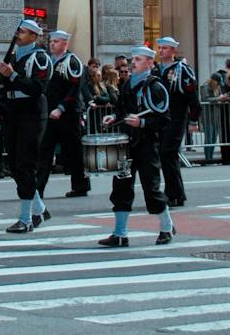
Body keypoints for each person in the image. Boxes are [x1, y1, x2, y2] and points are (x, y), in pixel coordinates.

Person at [101, 45, 176, 247]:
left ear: (150, 63)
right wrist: (113, 117)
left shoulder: (155, 86)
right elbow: (121, 109)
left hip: (146, 144)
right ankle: (120, 233)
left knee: (150, 187)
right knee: (121, 186)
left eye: (139, 60)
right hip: (126, 143)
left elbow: (164, 118)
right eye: (133, 59)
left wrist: (142, 123)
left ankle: (166, 227)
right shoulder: (127, 84)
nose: (133, 63)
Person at [0, 19, 50, 233]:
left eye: (23, 32)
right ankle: (39, 208)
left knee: (26, 165)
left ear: (34, 37)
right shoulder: (15, 56)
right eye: (18, 31)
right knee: (16, 166)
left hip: (31, 114)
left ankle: (26, 218)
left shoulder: (40, 58)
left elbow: (37, 88)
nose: (18, 35)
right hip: (13, 113)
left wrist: (13, 75)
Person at [35, 29, 90, 203]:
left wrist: (61, 107)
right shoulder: (48, 61)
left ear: (65, 44)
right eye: (51, 41)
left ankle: (80, 185)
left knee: (73, 150)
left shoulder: (72, 62)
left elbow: (74, 89)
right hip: (49, 113)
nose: (52, 44)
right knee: (44, 150)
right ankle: (38, 188)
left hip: (68, 113)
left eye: (56, 42)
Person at [154, 37, 195, 209]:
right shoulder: (156, 70)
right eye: (160, 48)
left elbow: (191, 95)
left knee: (167, 153)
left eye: (165, 48)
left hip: (177, 117)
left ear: (173, 51)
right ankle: (176, 192)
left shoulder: (182, 70)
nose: (161, 51)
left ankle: (174, 193)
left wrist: (193, 118)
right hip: (162, 118)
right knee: (167, 156)